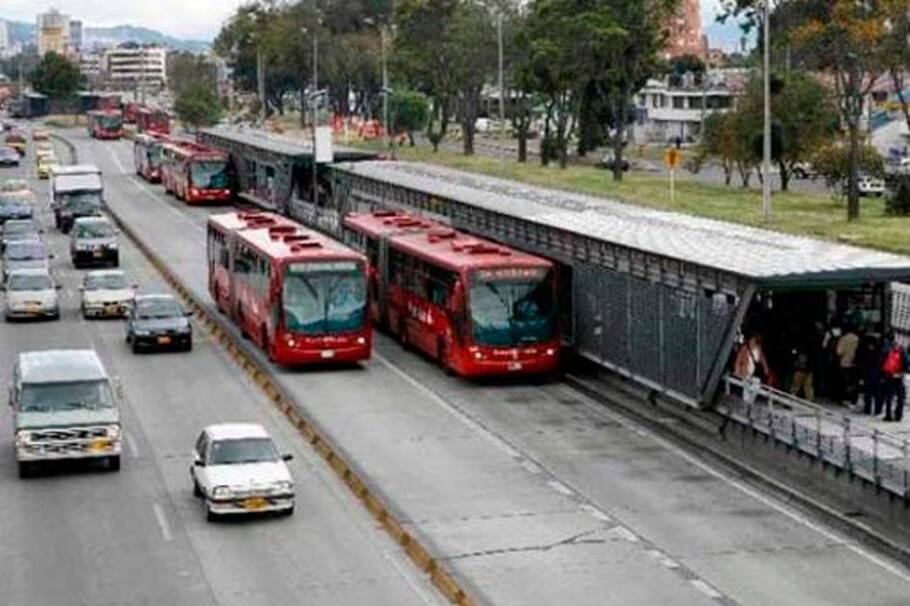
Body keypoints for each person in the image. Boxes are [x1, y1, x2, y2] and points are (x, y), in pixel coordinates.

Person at [880, 333, 906, 422]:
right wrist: (902, 372)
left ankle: (888, 415)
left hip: (889, 376)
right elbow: (906, 365)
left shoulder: (887, 352)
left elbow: (882, 365)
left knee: (889, 397)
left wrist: (883, 375)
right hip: (898, 377)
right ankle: (898, 415)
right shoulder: (902, 353)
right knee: (900, 397)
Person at [857, 333, 882, 415]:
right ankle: (877, 410)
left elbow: (864, 364)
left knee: (869, 393)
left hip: (869, 375)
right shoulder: (879, 351)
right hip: (876, 375)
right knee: (876, 393)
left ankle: (868, 409)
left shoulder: (868, 352)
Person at [835, 323, 860, 404]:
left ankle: (843, 398)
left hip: (844, 362)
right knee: (854, 382)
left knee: (843, 382)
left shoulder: (843, 339)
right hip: (855, 363)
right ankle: (853, 399)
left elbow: (839, 352)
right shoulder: (857, 338)